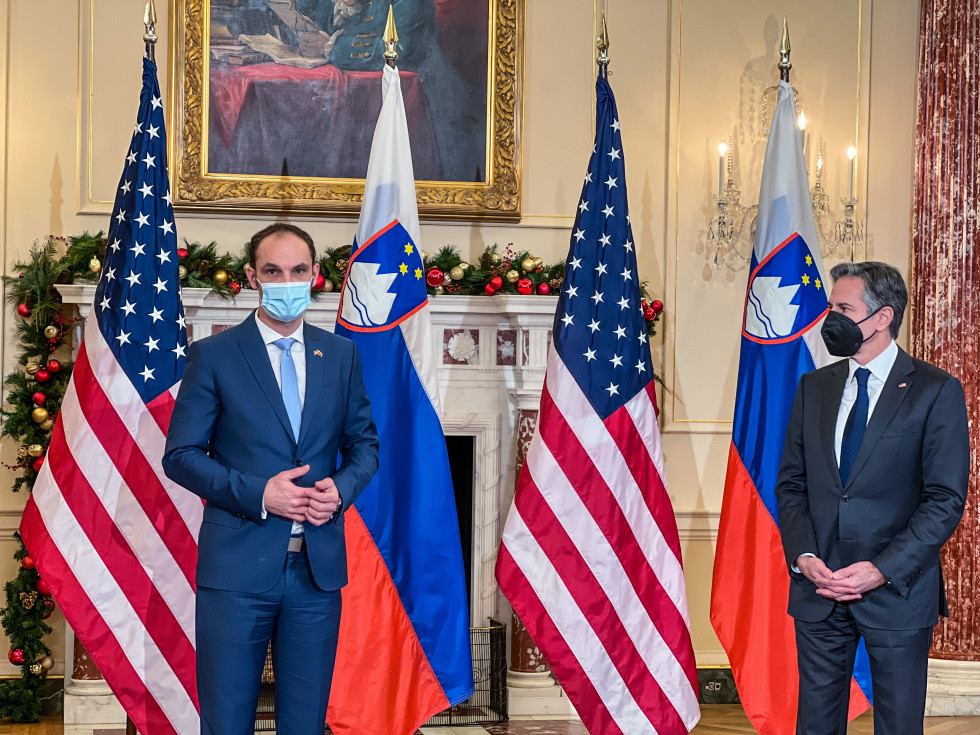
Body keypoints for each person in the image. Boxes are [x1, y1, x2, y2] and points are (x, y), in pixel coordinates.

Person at [162, 223, 379, 735]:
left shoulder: (341, 355)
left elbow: (365, 446)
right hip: (236, 574)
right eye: (273, 271)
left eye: (298, 270)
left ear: (316, 276)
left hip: (315, 575)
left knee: (304, 725)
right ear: (252, 277)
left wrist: (341, 490)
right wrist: (260, 493)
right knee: (227, 722)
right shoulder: (213, 356)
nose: (287, 281)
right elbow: (182, 456)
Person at [776, 261, 969, 735]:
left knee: (899, 725)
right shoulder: (814, 387)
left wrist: (881, 568)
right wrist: (804, 556)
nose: (831, 321)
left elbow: (944, 498)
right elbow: (792, 485)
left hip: (898, 591)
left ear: (882, 317)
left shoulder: (935, 390)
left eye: (844, 309)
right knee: (816, 724)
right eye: (831, 308)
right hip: (819, 588)